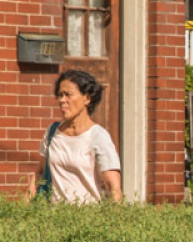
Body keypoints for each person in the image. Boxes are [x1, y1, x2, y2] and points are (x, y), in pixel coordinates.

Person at [28, 69, 122, 203]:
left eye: (68, 95)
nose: (62, 100)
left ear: (87, 98)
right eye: (60, 95)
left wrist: (114, 221)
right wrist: (22, 209)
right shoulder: (52, 132)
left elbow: (113, 188)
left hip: (87, 219)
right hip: (52, 218)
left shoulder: (98, 136)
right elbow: (40, 173)